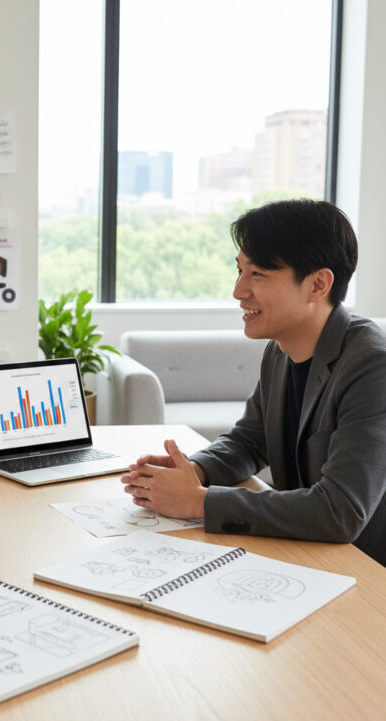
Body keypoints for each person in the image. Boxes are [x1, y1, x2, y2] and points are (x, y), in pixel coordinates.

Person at [121, 198, 386, 567]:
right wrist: (192, 471)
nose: (239, 290)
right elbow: (249, 440)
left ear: (318, 284)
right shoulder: (281, 351)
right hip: (308, 555)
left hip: (367, 572)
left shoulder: (373, 364)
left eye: (258, 274)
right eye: (240, 270)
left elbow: (340, 511)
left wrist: (197, 501)